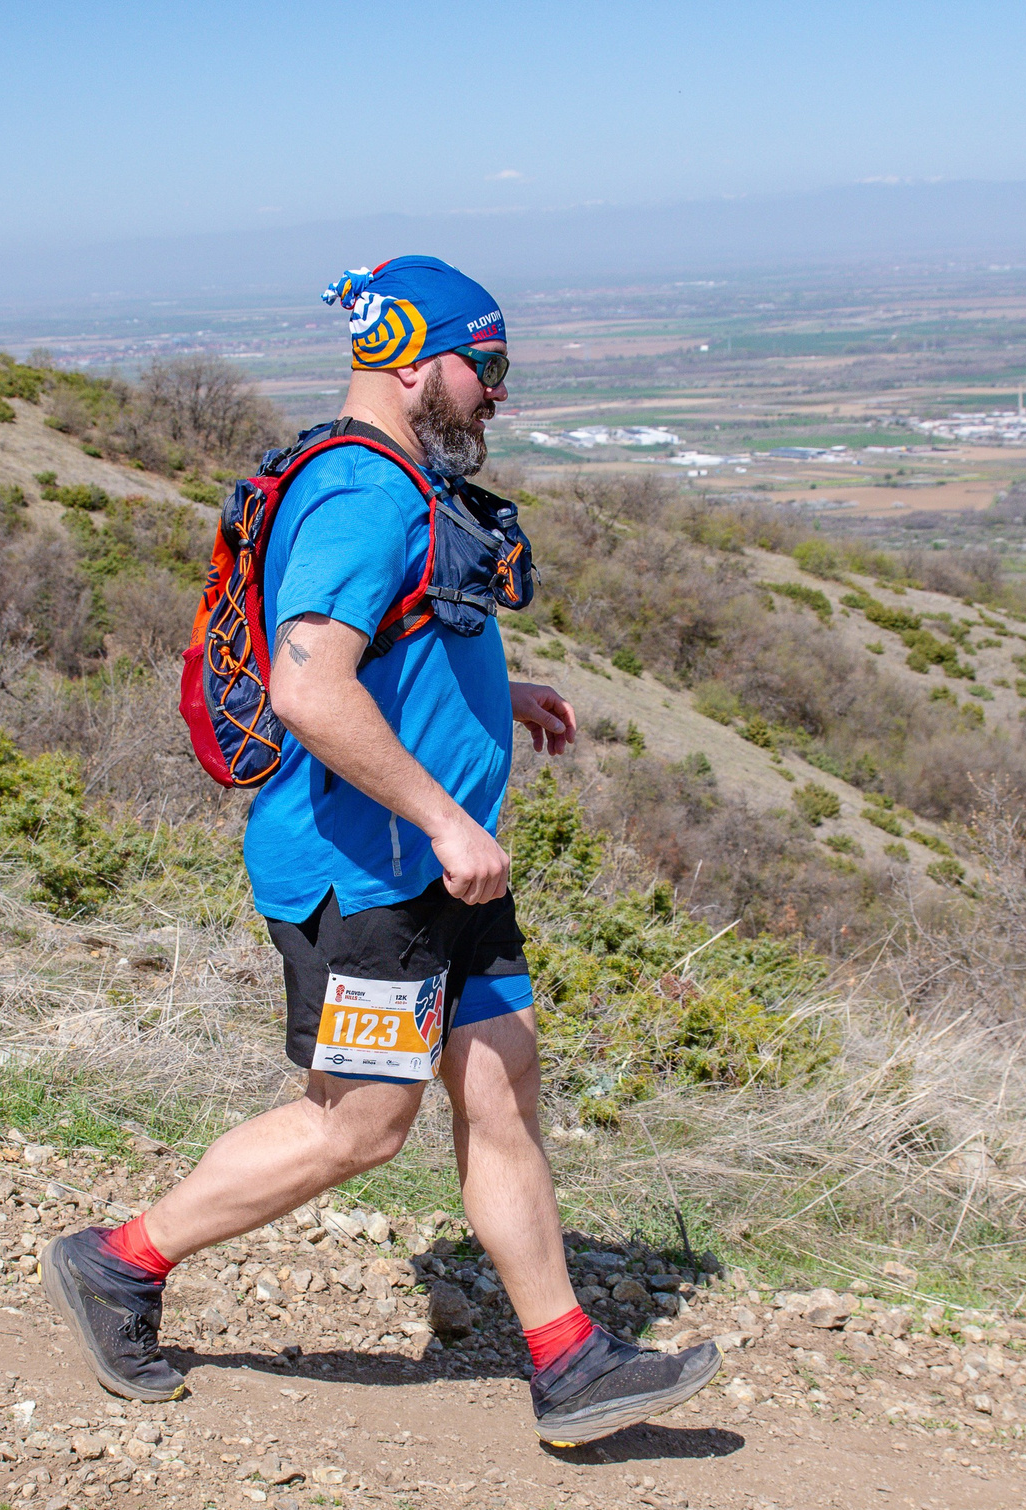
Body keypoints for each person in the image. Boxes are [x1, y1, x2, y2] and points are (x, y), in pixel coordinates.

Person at [42, 256, 719, 1445]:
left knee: (502, 1084)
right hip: (369, 877)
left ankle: (566, 1362)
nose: (498, 394)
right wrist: (447, 817)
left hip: (439, 874)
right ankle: (117, 1260)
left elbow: (388, 649)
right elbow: (309, 685)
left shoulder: (401, 481)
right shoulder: (361, 493)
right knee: (359, 1125)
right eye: (486, 366)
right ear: (413, 354)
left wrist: (497, 693)